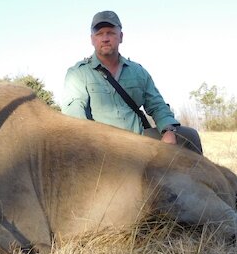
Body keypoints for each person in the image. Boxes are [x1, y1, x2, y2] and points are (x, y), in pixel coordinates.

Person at [61, 10, 202, 154]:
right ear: (92, 39)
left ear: (121, 37)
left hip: (138, 140)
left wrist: (168, 130)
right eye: (99, 34)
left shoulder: (138, 71)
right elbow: (74, 114)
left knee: (190, 136)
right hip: (102, 145)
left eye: (110, 32)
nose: (105, 38)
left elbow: (157, 105)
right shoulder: (78, 73)